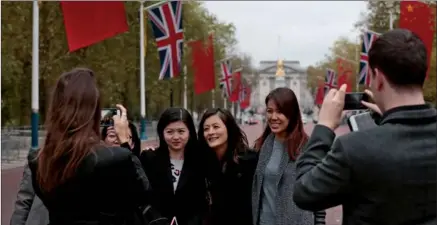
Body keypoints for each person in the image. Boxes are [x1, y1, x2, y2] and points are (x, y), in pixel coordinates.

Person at [293, 29, 437, 225]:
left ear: (377, 77)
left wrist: (324, 126)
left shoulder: (354, 149)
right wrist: (389, 119)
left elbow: (304, 192)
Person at [27, 68, 150, 225]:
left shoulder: (39, 161)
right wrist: (125, 140)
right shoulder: (114, 158)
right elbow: (142, 194)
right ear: (94, 110)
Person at [252, 87, 326, 225]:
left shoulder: (307, 147)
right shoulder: (262, 146)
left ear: (291, 114)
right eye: (270, 111)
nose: (273, 117)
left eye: (280, 112)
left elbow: (318, 195)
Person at [133, 107, 207, 225]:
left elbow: (202, 202)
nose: (176, 137)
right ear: (162, 133)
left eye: (181, 131)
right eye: (170, 132)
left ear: (190, 132)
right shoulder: (149, 158)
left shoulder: (200, 161)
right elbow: (142, 196)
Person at [198, 108, 258, 225]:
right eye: (206, 129)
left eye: (216, 127)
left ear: (229, 129)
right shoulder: (202, 162)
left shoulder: (249, 161)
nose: (210, 132)